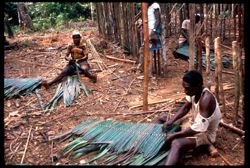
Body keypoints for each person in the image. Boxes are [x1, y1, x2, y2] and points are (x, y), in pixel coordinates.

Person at [155, 70, 222, 165]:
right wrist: (171, 121)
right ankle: (153, 141)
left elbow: (198, 128)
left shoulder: (206, 100)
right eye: (184, 88)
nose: (185, 91)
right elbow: (186, 107)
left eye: (187, 89)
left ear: (198, 85)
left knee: (176, 143)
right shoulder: (195, 92)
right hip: (194, 122)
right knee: (163, 117)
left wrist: (174, 135)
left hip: (205, 134)